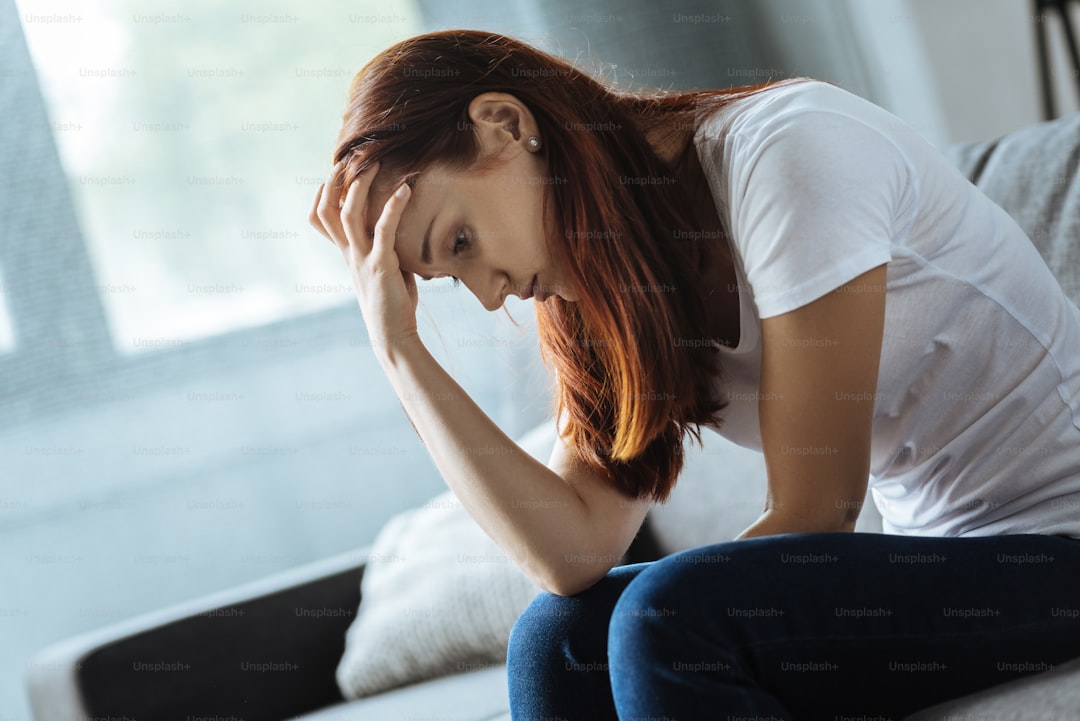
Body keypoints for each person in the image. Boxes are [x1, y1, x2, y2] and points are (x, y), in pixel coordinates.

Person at [308, 28, 1080, 721]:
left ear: (506, 125)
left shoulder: (790, 151)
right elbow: (569, 555)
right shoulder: (607, 281)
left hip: (1062, 544)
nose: (488, 292)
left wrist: (666, 616)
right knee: (556, 636)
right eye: (447, 277)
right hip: (950, 558)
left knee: (667, 618)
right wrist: (398, 348)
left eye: (463, 239)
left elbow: (814, 514)